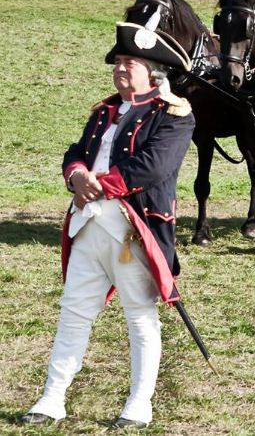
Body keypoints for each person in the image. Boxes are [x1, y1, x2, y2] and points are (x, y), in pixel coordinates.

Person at [21, 22, 195, 428]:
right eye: (117, 62)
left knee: (139, 316)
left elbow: (154, 166)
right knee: (73, 313)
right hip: (89, 226)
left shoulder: (173, 115)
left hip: (134, 229)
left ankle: (139, 405)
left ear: (153, 71)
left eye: (128, 62)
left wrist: (98, 185)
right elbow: (77, 152)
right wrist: (77, 175)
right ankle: (51, 399)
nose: (119, 69)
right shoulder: (104, 112)